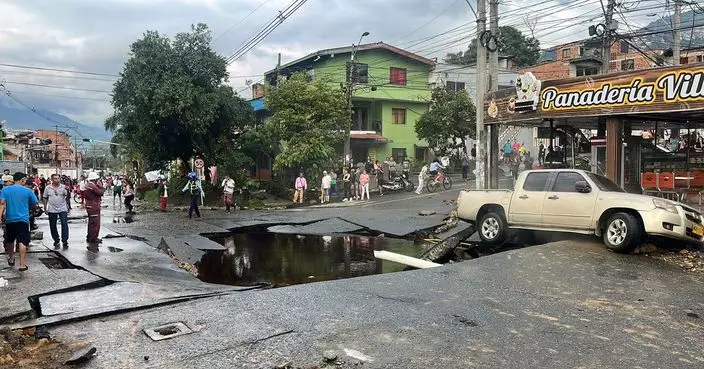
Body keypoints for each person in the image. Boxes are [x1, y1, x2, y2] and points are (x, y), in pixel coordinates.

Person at [0, 172, 39, 271]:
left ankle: (11, 258)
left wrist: (0, 217)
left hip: (10, 219)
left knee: (10, 240)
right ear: (22, 180)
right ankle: (22, 264)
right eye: (25, 179)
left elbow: (2, 204)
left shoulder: (5, 190)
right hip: (23, 220)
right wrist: (32, 208)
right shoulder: (28, 191)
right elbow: (34, 204)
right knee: (22, 241)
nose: (25, 181)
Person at [43, 174, 69, 248]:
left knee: (64, 223)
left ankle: (65, 240)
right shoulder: (48, 188)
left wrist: (67, 191)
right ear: (52, 180)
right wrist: (45, 207)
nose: (57, 180)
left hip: (62, 208)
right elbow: (45, 197)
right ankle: (56, 239)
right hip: (52, 209)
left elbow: (67, 196)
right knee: (52, 225)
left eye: (58, 178)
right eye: (55, 179)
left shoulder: (63, 187)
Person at [83, 172, 105, 244]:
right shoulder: (92, 186)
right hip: (94, 206)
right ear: (95, 179)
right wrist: (101, 186)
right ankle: (93, 238)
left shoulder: (87, 185)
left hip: (89, 205)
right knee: (95, 223)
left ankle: (89, 236)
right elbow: (100, 192)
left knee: (91, 223)